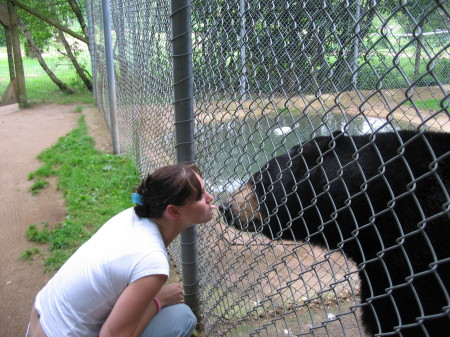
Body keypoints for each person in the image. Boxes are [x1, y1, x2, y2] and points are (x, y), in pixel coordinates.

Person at [26, 163, 216, 337]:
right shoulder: (153, 261)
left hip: (38, 322)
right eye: (200, 196)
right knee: (181, 317)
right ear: (174, 212)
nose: (210, 198)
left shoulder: (130, 216)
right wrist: (158, 301)